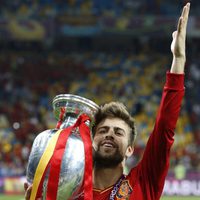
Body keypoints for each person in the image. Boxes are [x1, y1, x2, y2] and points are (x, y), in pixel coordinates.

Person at [25, 2, 190, 200]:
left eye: (118, 132)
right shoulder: (68, 195)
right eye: (103, 130)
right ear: (91, 142)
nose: (109, 134)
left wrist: (178, 60)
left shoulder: (144, 182)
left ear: (129, 149)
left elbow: (164, 129)